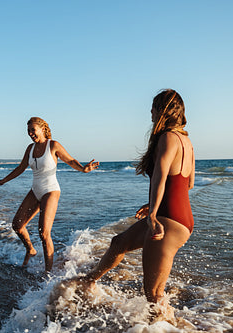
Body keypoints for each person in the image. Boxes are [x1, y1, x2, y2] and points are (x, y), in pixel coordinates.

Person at [79, 89, 194, 304]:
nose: (150, 111)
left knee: (153, 295)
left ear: (163, 110)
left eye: (154, 107)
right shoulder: (185, 141)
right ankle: (88, 282)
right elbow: (188, 184)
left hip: (167, 221)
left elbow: (160, 178)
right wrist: (153, 204)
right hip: (180, 217)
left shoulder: (167, 138)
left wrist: (152, 215)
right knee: (118, 243)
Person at [0, 117, 99, 272]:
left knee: (43, 232)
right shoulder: (30, 148)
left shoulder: (53, 145)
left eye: (33, 130)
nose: (30, 133)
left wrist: (84, 169)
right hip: (35, 190)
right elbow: (21, 168)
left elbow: (70, 160)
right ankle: (31, 249)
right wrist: (3, 180)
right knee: (17, 225)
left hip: (51, 190)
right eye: (28, 131)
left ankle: (48, 273)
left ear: (42, 129)